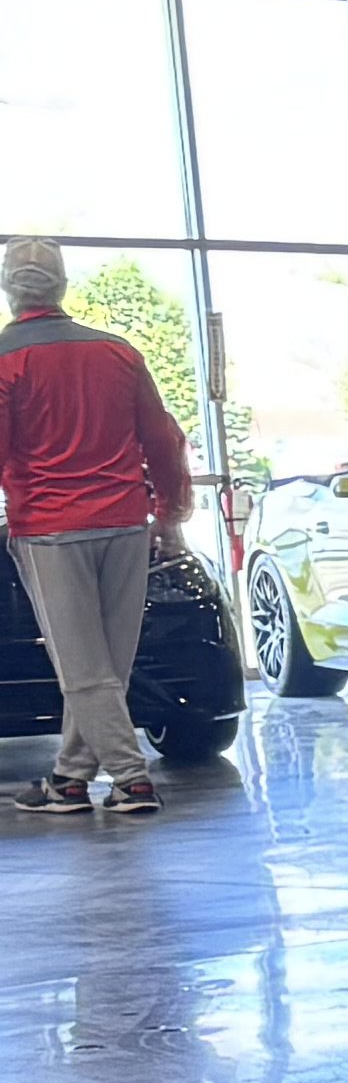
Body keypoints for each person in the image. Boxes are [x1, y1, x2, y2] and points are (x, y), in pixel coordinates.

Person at [0, 236, 193, 817]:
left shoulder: (6, 359)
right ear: (62, 284)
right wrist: (170, 513)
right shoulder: (119, 353)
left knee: (83, 668)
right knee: (105, 665)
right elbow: (163, 440)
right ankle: (69, 779)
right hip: (125, 524)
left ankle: (132, 780)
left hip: (50, 529)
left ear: (10, 288)